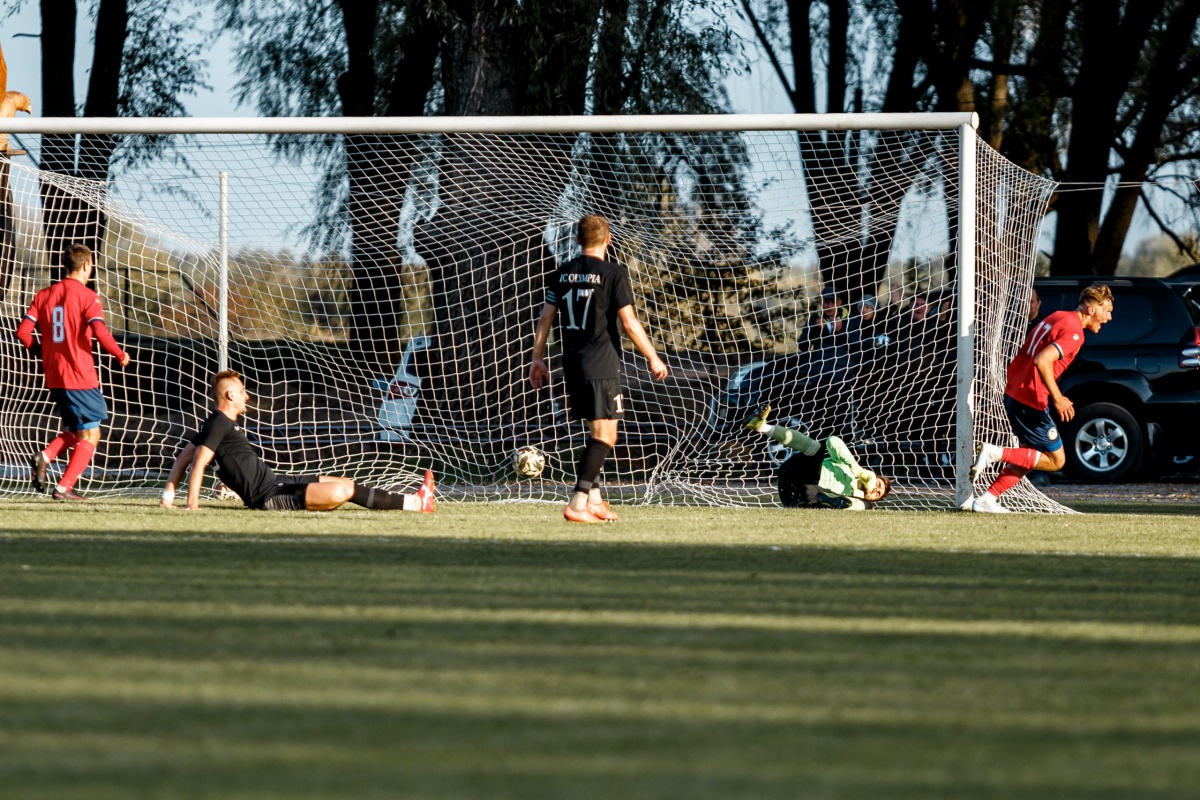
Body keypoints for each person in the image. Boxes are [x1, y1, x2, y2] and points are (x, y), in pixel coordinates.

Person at [529, 214, 669, 524]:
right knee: (607, 437)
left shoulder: (563, 273)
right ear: (608, 240)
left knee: (598, 432)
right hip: (602, 363)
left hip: (573, 363)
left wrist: (537, 358)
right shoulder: (612, 273)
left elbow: (545, 319)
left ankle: (594, 501)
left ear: (577, 241)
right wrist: (653, 356)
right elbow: (630, 322)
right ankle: (577, 503)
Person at [161, 370, 436, 512]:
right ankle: (415, 503)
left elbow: (183, 458)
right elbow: (197, 462)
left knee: (343, 483)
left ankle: (415, 502)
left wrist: (167, 496)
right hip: (268, 496)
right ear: (230, 396)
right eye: (243, 391)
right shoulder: (219, 422)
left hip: (278, 481)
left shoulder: (217, 423)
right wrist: (191, 503)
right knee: (341, 493)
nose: (247, 396)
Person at [967, 284, 1114, 513]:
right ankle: (994, 452)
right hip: (1031, 398)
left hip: (1016, 391)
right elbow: (1042, 360)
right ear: (1091, 309)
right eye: (1107, 311)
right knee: (1056, 460)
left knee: (1029, 456)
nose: (1109, 317)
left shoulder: (1058, 316)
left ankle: (987, 499)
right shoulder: (1075, 332)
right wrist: (1058, 397)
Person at [15, 243, 131, 501]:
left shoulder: (43, 294)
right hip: (79, 374)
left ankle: (45, 456)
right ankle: (64, 488)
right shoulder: (88, 296)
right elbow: (100, 332)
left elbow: (22, 332)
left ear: (65, 266)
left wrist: (42, 352)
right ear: (88, 265)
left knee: (79, 430)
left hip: (55, 375)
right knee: (92, 432)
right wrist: (120, 354)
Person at [745, 404, 891, 509]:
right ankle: (761, 426)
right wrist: (858, 470)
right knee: (816, 449)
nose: (875, 489)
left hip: (799, 497)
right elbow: (832, 441)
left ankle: (829, 502)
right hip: (792, 473)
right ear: (872, 475)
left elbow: (859, 505)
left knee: (861, 505)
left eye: (878, 494)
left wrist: (852, 499)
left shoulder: (861, 501)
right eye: (878, 484)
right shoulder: (849, 468)